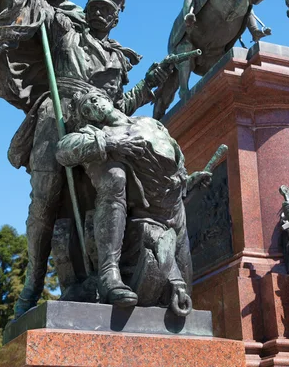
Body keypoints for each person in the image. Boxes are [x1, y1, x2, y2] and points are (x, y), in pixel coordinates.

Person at [10, 0, 170, 317]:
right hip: (57, 115)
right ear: (87, 6)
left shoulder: (118, 59)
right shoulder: (65, 30)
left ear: (115, 18)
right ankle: (33, 283)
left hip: (97, 128)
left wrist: (146, 87)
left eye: (106, 11)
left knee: (114, 179)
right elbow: (32, 1)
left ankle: (109, 275)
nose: (99, 14)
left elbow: (119, 108)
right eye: (94, 7)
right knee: (45, 197)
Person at [55, 88, 212, 312]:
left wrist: (189, 182)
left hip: (174, 209)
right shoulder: (94, 133)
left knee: (182, 291)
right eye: (86, 110)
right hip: (145, 213)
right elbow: (63, 150)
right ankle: (109, 274)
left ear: (106, 99)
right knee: (113, 177)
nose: (93, 108)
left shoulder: (151, 123)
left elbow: (176, 164)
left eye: (93, 100)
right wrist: (109, 144)